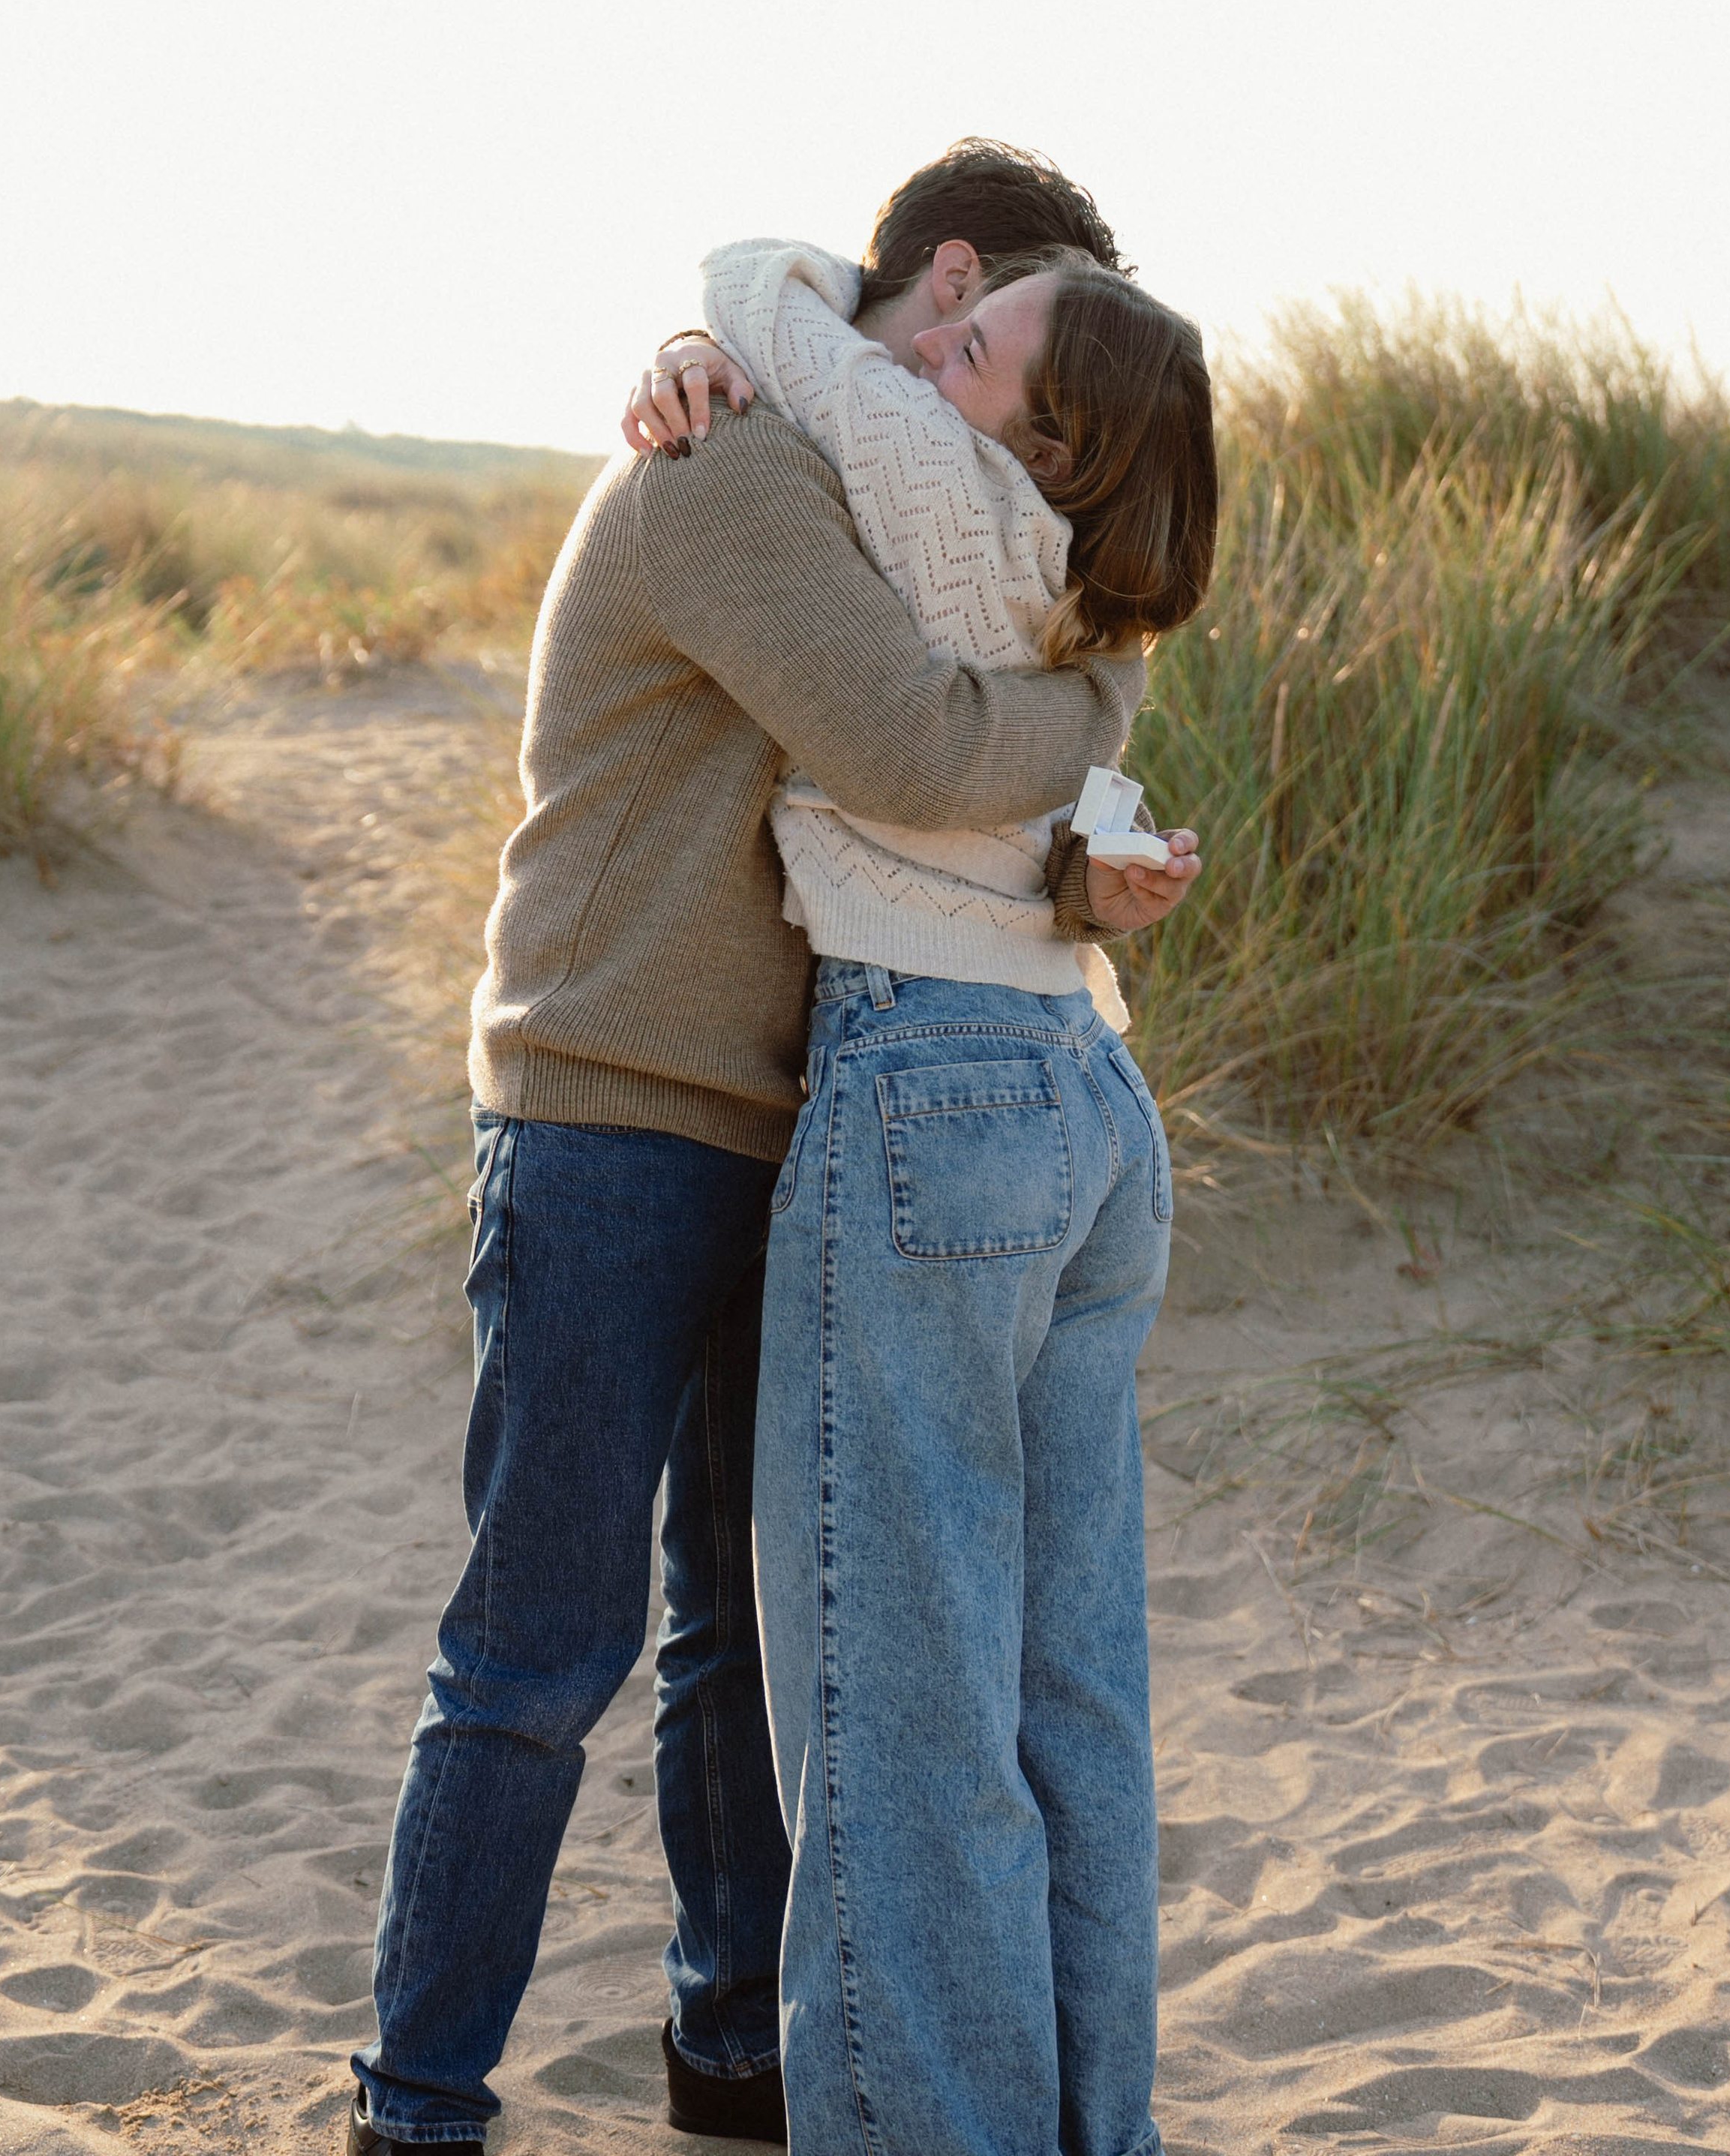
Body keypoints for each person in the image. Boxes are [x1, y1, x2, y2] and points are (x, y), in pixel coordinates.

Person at [347, 145, 1164, 2156]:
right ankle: (418, 2104)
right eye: (992, 353)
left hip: (800, 1118)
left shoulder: (863, 483)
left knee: (738, 1634)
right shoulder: (735, 469)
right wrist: (1112, 696)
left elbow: (926, 820)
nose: (1009, 426)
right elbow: (912, 744)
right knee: (544, 1647)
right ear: (949, 275)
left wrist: (1084, 874)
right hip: (611, 1106)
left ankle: (732, 2060)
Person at [644, 227, 1218, 2156]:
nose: (926, 353)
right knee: (1066, 1692)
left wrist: (730, 308)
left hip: (931, 1092)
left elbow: (751, 293)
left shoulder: (916, 470)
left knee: (896, 1710)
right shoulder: (1070, 578)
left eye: (967, 348)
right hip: (1080, 1088)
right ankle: (1093, 2127)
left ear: (1035, 446)